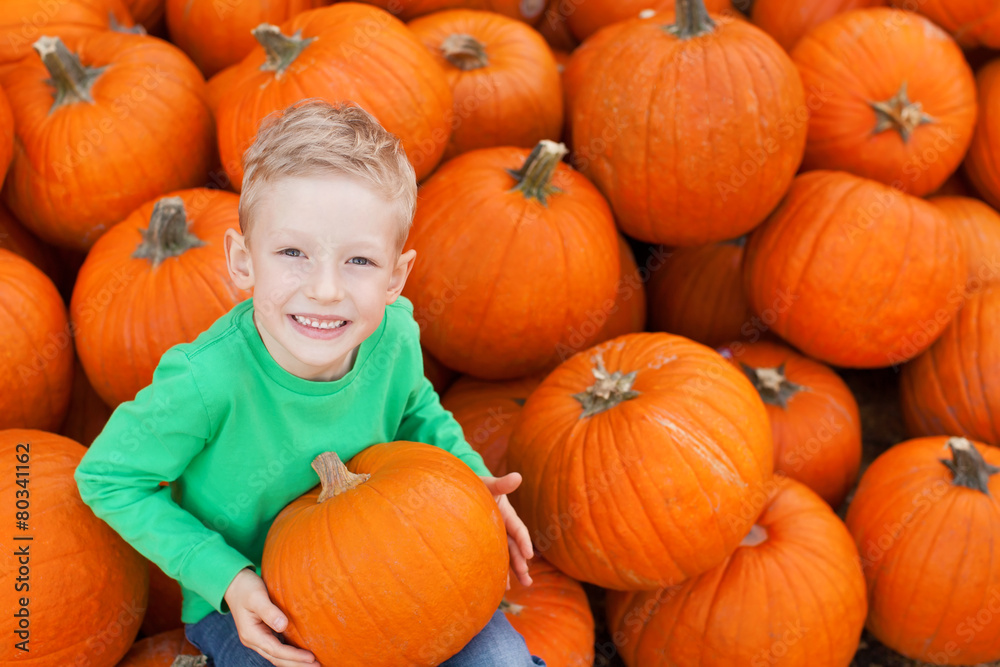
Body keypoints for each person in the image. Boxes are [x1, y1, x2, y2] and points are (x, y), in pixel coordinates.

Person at [74, 99, 543, 667]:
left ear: (396, 276)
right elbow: (108, 479)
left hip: (401, 565)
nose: (324, 289)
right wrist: (226, 577)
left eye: (359, 262)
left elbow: (419, 411)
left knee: (501, 662)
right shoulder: (207, 381)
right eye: (293, 252)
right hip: (261, 604)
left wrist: (474, 483)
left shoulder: (393, 335)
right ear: (244, 261)